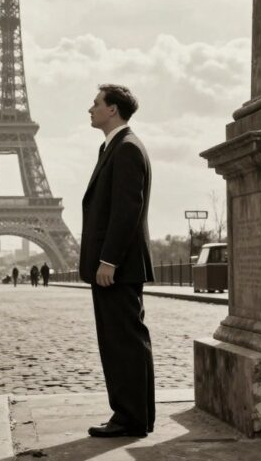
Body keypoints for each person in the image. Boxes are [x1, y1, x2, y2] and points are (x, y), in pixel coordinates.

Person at [81, 84, 155, 439]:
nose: (90, 108)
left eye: (96, 103)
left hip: (118, 267)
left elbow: (127, 210)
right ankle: (131, 414)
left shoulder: (125, 149)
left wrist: (108, 260)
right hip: (116, 266)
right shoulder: (115, 147)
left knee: (123, 341)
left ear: (112, 109)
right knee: (120, 340)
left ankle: (131, 417)